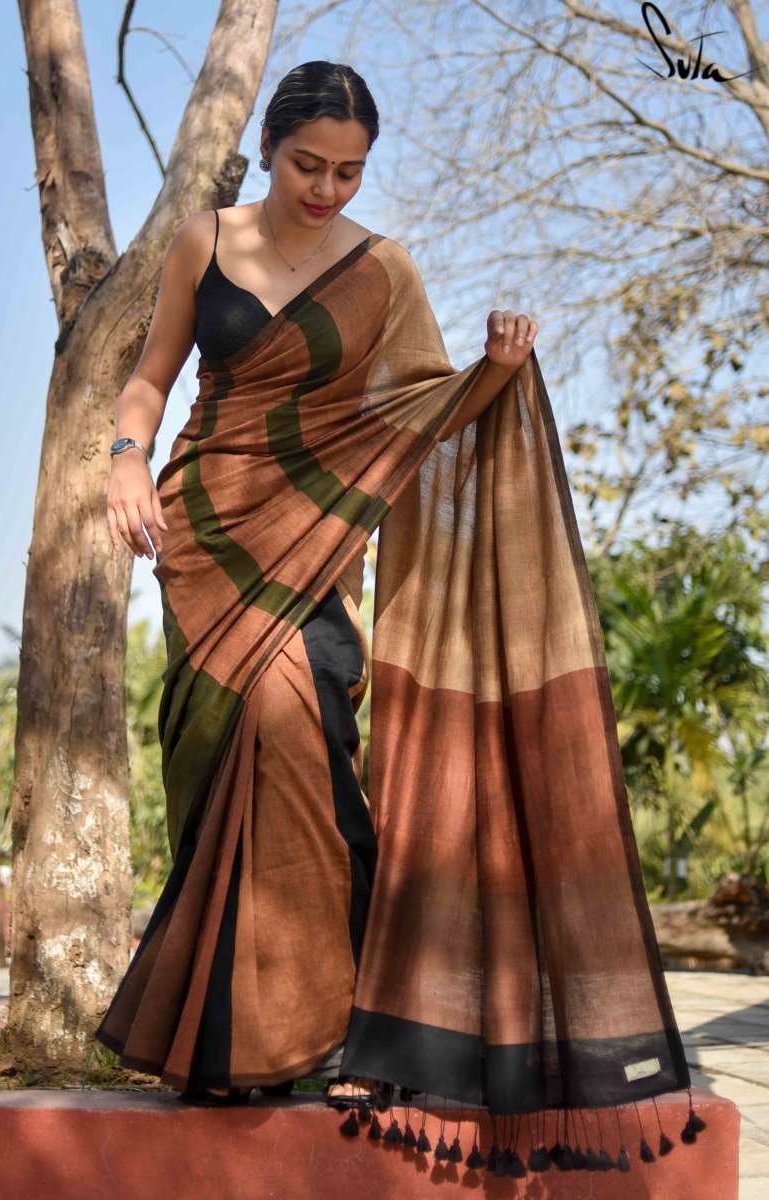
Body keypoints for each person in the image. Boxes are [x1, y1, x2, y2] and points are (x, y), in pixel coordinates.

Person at [95, 61, 702, 1175]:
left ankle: (346, 1034)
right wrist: (127, 459)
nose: (325, 188)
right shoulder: (204, 240)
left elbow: (425, 408)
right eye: (306, 165)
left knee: (304, 744)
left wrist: (496, 370)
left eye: (348, 171)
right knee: (226, 760)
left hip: (318, 543)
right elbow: (150, 377)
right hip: (206, 531)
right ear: (268, 148)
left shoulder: (385, 271)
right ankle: (237, 1042)